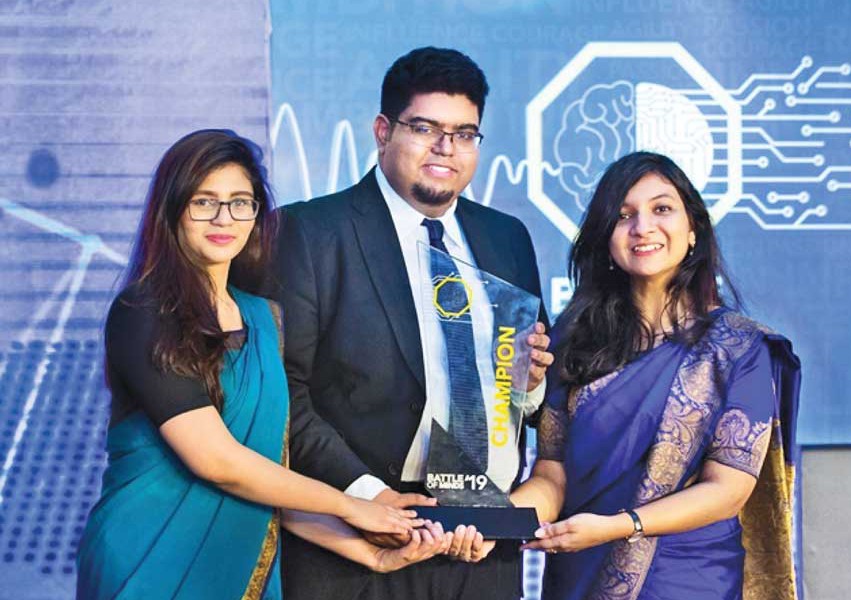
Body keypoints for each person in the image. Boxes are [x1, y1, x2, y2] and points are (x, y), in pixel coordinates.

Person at [76, 129, 450, 600]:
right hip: (148, 559)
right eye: (203, 202)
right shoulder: (143, 311)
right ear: (172, 211)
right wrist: (354, 506)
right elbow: (217, 462)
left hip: (237, 559)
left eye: (240, 202)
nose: (224, 218)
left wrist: (365, 551)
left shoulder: (264, 318)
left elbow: (268, 480)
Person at [273, 47, 553, 600]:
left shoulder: (507, 238)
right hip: (353, 541)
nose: (446, 149)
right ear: (383, 131)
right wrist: (367, 497)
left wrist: (532, 380)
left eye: (465, 133)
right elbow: (284, 394)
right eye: (425, 128)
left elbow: (533, 400)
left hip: (481, 546)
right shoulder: (309, 233)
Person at [515, 151, 801, 600]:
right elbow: (552, 473)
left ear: (693, 232)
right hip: (578, 569)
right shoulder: (572, 342)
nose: (642, 227)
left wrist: (620, 527)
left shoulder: (738, 349)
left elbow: (728, 488)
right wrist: (493, 521)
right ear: (606, 239)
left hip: (687, 578)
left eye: (661, 209)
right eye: (623, 215)